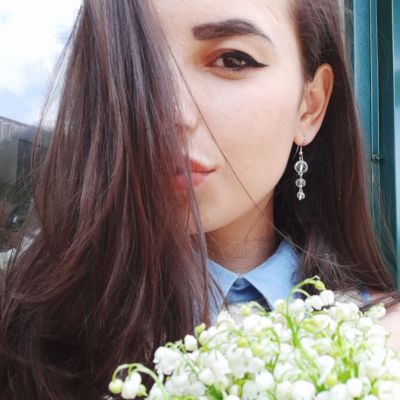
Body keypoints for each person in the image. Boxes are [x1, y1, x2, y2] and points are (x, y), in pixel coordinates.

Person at [0, 0, 398, 399]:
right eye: (134, 65)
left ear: (310, 105)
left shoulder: (382, 345)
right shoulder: (23, 334)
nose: (170, 113)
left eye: (232, 60)